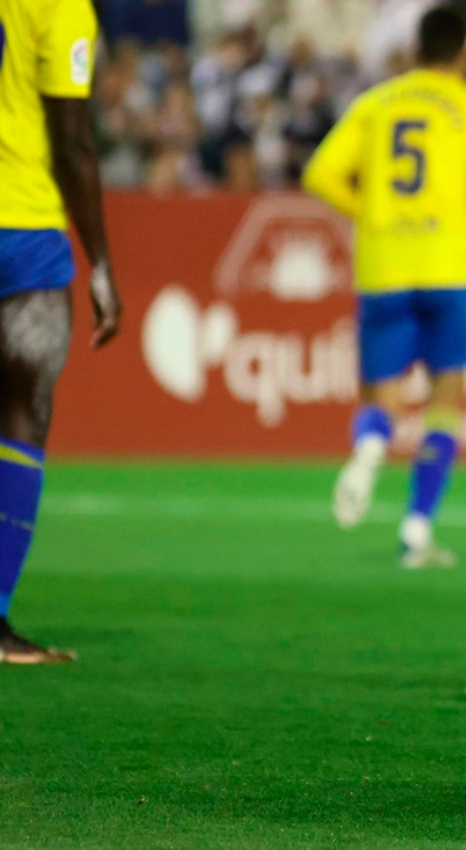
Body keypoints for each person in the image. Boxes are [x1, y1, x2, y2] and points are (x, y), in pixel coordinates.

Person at [302, 6, 466, 567]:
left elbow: (319, 173)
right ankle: (417, 529)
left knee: (381, 394)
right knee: (445, 399)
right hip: (449, 266)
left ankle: (371, 446)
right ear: (464, 54)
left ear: (417, 48)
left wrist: (372, 215)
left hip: (383, 266)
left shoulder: (375, 103)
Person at [0, 0, 123, 662]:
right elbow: (72, 137)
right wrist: (100, 262)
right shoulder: (59, 5)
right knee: (21, 415)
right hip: (21, 228)